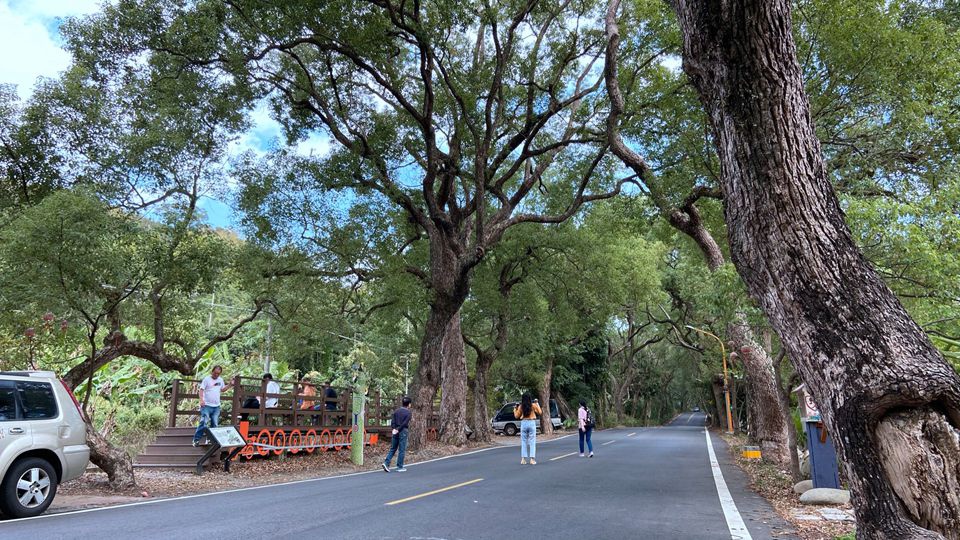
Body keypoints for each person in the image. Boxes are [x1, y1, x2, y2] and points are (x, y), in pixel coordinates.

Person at [192, 365, 231, 447]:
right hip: (206, 405)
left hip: (216, 406)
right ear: (212, 371)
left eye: (218, 374)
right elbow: (201, 390)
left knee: (215, 424)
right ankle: (196, 440)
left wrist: (230, 384)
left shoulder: (220, 380)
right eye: (215, 373)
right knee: (203, 422)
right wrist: (201, 400)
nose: (216, 375)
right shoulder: (207, 379)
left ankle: (210, 440)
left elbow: (223, 389)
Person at [382, 397, 412, 473]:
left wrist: (394, 429)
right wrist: (398, 429)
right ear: (409, 404)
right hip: (403, 431)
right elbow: (405, 423)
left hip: (395, 430)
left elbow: (393, 421)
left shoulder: (396, 411)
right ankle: (400, 466)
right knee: (401, 449)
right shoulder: (408, 413)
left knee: (393, 448)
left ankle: (386, 463)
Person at [514, 394, 542, 465]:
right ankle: (532, 459)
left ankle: (523, 459)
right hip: (531, 423)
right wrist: (537, 403)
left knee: (524, 441)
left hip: (524, 423)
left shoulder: (521, 407)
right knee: (532, 441)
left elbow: (516, 416)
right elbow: (540, 412)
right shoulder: (533, 405)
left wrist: (515, 409)